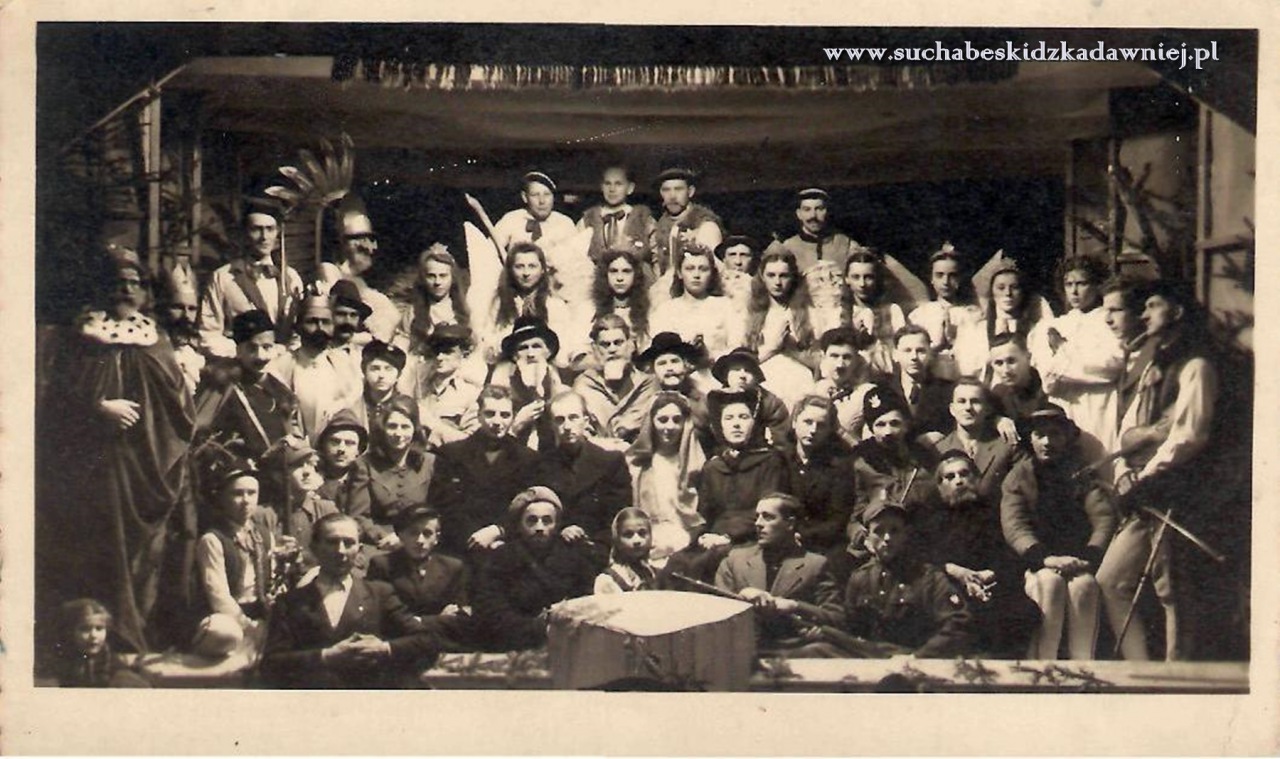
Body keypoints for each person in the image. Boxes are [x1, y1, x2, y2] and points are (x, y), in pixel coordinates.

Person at [37, 246, 197, 653]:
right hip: (93, 469)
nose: (126, 290)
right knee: (97, 549)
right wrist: (96, 409)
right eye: (118, 282)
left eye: (134, 283)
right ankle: (94, 641)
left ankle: (135, 636)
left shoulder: (155, 339)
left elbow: (179, 406)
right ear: (102, 288)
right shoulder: (79, 339)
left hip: (145, 467)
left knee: (146, 555)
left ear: (144, 292)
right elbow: (54, 401)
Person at [1099, 278, 1224, 661]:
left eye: (1153, 306)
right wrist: (1124, 470)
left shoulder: (1196, 367)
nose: (1144, 314)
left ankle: (1176, 672)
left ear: (1177, 312)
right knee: (1111, 580)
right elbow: (1129, 431)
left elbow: (1188, 436)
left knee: (1172, 589)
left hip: (1175, 491)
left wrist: (1148, 474)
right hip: (1143, 491)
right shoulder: (1153, 364)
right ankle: (1141, 669)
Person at [260, 514, 440, 688]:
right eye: (332, 542)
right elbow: (271, 663)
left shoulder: (379, 594)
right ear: (314, 548)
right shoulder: (290, 603)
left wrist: (383, 648)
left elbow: (426, 640)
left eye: (349, 543)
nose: (341, 551)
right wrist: (325, 656)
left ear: (359, 550)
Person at [1001, 403, 1115, 660]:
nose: (1047, 442)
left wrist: (1089, 556)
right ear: (1030, 439)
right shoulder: (1019, 477)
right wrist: (1045, 558)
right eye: (1040, 435)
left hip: (1078, 560)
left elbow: (1103, 517)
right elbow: (1015, 525)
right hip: (1035, 562)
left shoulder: (1081, 473)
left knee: (1084, 586)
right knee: (1049, 584)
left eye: (1055, 434)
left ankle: (1083, 664)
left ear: (1066, 438)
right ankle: (1045, 664)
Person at [915, 452, 1040, 658]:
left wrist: (988, 574)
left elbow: (1009, 554)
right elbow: (923, 555)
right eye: (950, 477)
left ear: (976, 478)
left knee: (1023, 611)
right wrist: (955, 571)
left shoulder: (993, 512)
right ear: (939, 485)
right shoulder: (929, 517)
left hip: (990, 583)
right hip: (947, 583)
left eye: (964, 474)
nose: (959, 481)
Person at [837, 497, 974, 658]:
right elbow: (850, 629)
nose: (887, 538)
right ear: (867, 537)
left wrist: (918, 657)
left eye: (894, 530)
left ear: (906, 535)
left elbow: (959, 623)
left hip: (916, 662)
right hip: (871, 662)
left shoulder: (928, 578)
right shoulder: (860, 579)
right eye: (879, 531)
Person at [471, 487, 604, 651]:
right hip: (513, 643)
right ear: (519, 525)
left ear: (557, 525)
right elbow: (490, 610)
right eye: (531, 521)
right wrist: (536, 627)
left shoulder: (573, 557)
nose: (539, 527)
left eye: (547, 521)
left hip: (565, 642)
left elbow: (586, 601)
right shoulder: (500, 558)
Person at [1029, 255, 1125, 462]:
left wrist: (1062, 350)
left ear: (1097, 285)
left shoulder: (1107, 323)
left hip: (1097, 405)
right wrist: (1069, 364)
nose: (1074, 291)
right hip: (1062, 404)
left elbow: (1109, 366)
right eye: (1068, 284)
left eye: (1081, 284)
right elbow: (1046, 373)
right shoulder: (1052, 326)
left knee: (1097, 459)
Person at [431, 386, 540, 558]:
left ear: (513, 417)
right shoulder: (451, 454)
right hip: (461, 547)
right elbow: (445, 507)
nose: (497, 421)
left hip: (508, 547)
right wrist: (474, 538)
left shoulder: (528, 459)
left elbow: (528, 508)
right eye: (490, 414)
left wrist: (499, 531)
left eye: (505, 415)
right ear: (478, 415)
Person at [715, 494, 832, 650]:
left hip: (795, 649)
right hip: (742, 650)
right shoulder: (735, 560)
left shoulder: (815, 564)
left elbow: (836, 617)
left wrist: (795, 606)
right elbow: (717, 613)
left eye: (768, 517)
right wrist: (743, 596)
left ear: (790, 524)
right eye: (757, 517)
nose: (758, 523)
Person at [192, 462, 279, 656]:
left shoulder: (265, 535)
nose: (246, 500)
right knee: (223, 632)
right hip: (229, 613)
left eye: (252, 493)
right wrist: (248, 626)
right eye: (237, 494)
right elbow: (218, 595)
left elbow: (270, 580)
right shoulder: (213, 539)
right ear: (222, 498)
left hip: (259, 610)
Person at [198, 204, 304, 358]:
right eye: (256, 229)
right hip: (238, 364)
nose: (264, 237)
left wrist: (285, 353)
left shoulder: (291, 277)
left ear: (277, 233)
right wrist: (244, 354)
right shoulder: (224, 277)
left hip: (284, 363)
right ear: (244, 234)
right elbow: (208, 333)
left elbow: (299, 332)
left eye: (270, 229)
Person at [198, 309, 302, 460]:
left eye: (267, 347)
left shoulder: (280, 392)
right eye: (252, 348)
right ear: (239, 350)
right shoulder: (223, 386)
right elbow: (201, 436)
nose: (260, 356)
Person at [533, 391, 634, 545]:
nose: (567, 426)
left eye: (573, 418)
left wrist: (588, 536)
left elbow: (619, 517)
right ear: (552, 425)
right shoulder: (542, 465)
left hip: (597, 545)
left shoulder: (611, 462)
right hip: (555, 545)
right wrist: (561, 530)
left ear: (586, 421)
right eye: (559, 420)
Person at [697, 387, 791, 549]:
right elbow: (705, 515)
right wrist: (702, 537)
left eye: (743, 417)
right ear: (720, 425)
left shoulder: (771, 461)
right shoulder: (713, 467)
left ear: (755, 424)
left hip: (754, 539)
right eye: (729, 418)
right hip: (715, 539)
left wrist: (728, 537)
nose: (736, 424)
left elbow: (769, 512)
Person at [366, 507, 470, 649]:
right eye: (413, 533)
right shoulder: (383, 565)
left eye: (427, 533)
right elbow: (381, 616)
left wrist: (417, 620)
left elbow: (460, 618)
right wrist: (436, 620)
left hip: (441, 644)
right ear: (400, 535)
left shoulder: (453, 567)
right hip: (398, 646)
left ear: (437, 538)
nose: (420, 540)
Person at [268, 294, 362, 444]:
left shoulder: (347, 367)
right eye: (312, 322)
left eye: (326, 322)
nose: (320, 328)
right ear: (298, 327)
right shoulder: (280, 366)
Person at [626, 391, 706, 562]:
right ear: (651, 422)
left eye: (676, 420)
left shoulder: (697, 466)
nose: (669, 427)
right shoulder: (636, 464)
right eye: (662, 420)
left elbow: (700, 520)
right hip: (644, 541)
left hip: (685, 544)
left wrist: (676, 544)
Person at [355, 396, 435, 553]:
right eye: (392, 426)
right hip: (381, 545)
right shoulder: (364, 464)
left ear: (415, 429)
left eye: (405, 427)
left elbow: (440, 511)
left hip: (422, 542)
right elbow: (359, 516)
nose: (398, 433)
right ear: (382, 429)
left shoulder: (430, 463)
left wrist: (408, 538)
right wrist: (383, 537)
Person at [929, 379, 1025, 504]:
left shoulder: (1007, 447)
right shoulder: (937, 450)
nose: (968, 407)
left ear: (988, 409)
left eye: (975, 401)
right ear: (952, 409)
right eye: (961, 401)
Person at [478, 241, 574, 366]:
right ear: (510, 270)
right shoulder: (500, 303)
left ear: (542, 270)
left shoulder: (554, 305)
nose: (526, 273)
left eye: (532, 266)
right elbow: (488, 351)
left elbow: (563, 352)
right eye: (519, 266)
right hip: (508, 366)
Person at [953, 259, 1050, 379]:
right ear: (992, 292)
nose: (1008, 293)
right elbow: (967, 367)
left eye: (1014, 287)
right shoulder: (978, 331)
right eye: (1001, 288)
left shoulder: (1035, 331)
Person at [783, 395, 856, 555]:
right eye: (808, 422)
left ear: (830, 430)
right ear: (794, 422)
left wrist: (803, 535)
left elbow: (838, 519)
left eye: (821, 425)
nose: (813, 430)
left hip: (821, 545)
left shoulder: (839, 466)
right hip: (781, 538)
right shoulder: (779, 460)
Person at [317, 209, 400, 343]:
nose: (371, 248)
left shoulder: (365, 281)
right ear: (344, 244)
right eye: (361, 239)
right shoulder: (330, 271)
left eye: (371, 239)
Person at [486, 316, 569, 449]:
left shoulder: (560, 390)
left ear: (548, 352)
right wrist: (517, 424)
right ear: (515, 356)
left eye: (536, 346)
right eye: (523, 348)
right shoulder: (502, 389)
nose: (530, 354)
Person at [572, 314, 654, 445]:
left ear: (631, 345)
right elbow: (581, 433)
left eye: (618, 343)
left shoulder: (648, 384)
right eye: (605, 344)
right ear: (594, 348)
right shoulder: (583, 386)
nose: (612, 349)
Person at [907, 242, 982, 381]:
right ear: (931, 279)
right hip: (929, 380)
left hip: (963, 378)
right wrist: (936, 346)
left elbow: (977, 354)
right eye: (939, 275)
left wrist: (955, 341)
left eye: (952, 275)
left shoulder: (973, 315)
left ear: (960, 278)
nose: (946, 282)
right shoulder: (919, 315)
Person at [651, 241, 737, 361]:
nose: (696, 275)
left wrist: (709, 355)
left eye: (703, 269)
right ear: (679, 273)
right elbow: (658, 352)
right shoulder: (666, 310)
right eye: (690, 269)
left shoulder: (725, 306)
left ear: (711, 273)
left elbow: (736, 348)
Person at [402, 324, 482, 448]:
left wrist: (432, 425)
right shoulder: (416, 384)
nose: (439, 357)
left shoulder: (471, 394)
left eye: (447, 352)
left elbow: (470, 443)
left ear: (464, 354)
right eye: (436, 351)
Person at [632, 331, 712, 452]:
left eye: (674, 361)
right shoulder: (644, 400)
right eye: (662, 363)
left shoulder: (702, 401)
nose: (669, 368)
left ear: (685, 365)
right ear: (653, 370)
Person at [876, 324, 955, 440]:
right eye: (907, 350)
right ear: (895, 355)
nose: (914, 357)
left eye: (921, 351)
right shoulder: (882, 389)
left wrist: (941, 436)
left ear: (930, 354)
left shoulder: (947, 391)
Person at [50, 599, 151, 688]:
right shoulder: (56, 666)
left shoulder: (116, 668)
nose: (94, 635)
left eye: (99, 628)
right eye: (85, 629)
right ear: (70, 631)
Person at [649, 166, 724, 278]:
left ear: (690, 191)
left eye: (678, 189)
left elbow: (714, 268)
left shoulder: (705, 225)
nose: (672, 196)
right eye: (666, 190)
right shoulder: (658, 226)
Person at [396, 245, 472, 355]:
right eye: (431, 276)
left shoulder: (466, 309)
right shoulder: (413, 312)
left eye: (443, 276)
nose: (437, 282)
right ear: (423, 279)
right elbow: (401, 345)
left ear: (453, 278)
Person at [840, 249, 905, 376]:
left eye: (868, 277)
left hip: (887, 375)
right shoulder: (839, 312)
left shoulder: (892, 311)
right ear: (847, 279)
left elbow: (902, 349)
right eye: (856, 277)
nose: (862, 284)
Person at [710, 347, 791, 448]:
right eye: (736, 369)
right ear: (726, 375)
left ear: (756, 377)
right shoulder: (713, 400)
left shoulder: (771, 403)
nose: (742, 375)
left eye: (748, 370)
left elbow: (782, 443)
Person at [808, 327, 877, 445]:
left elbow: (871, 445)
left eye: (847, 357)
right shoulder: (813, 391)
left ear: (857, 359)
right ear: (823, 356)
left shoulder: (867, 394)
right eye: (834, 356)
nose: (840, 364)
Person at [578, 165, 656, 266]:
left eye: (618, 184)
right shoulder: (588, 219)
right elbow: (576, 255)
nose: (612, 189)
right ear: (601, 187)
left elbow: (657, 255)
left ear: (630, 188)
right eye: (607, 184)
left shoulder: (643, 218)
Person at [491, 171, 578, 254]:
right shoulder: (511, 219)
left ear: (553, 197)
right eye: (535, 195)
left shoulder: (565, 224)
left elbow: (578, 258)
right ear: (525, 197)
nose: (542, 201)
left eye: (547, 194)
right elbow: (489, 251)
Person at [314, 409, 372, 526]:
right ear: (323, 445)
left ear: (358, 450)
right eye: (335, 442)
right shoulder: (312, 481)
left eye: (349, 443)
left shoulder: (367, 482)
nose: (341, 449)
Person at [589, 247, 653, 351]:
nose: (619, 278)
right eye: (613, 271)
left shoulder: (649, 312)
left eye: (626, 271)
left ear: (636, 275)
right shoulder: (590, 310)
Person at [778, 188, 855, 274]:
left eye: (819, 209)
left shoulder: (846, 245)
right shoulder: (787, 248)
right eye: (807, 209)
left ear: (827, 212)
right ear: (799, 214)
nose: (813, 216)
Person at [347, 340, 415, 433]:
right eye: (375, 369)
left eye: (388, 369)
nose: (381, 375)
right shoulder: (352, 406)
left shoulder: (408, 407)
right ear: (364, 371)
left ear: (398, 375)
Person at [594, 508, 668, 593]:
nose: (637, 540)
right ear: (617, 540)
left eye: (642, 533)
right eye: (628, 535)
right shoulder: (608, 580)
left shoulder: (658, 575)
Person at [987, 334, 1048, 426]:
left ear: (1028, 357)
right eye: (999, 363)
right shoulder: (998, 394)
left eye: (1011, 361)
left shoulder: (1048, 388)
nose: (1006, 370)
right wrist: (997, 420)